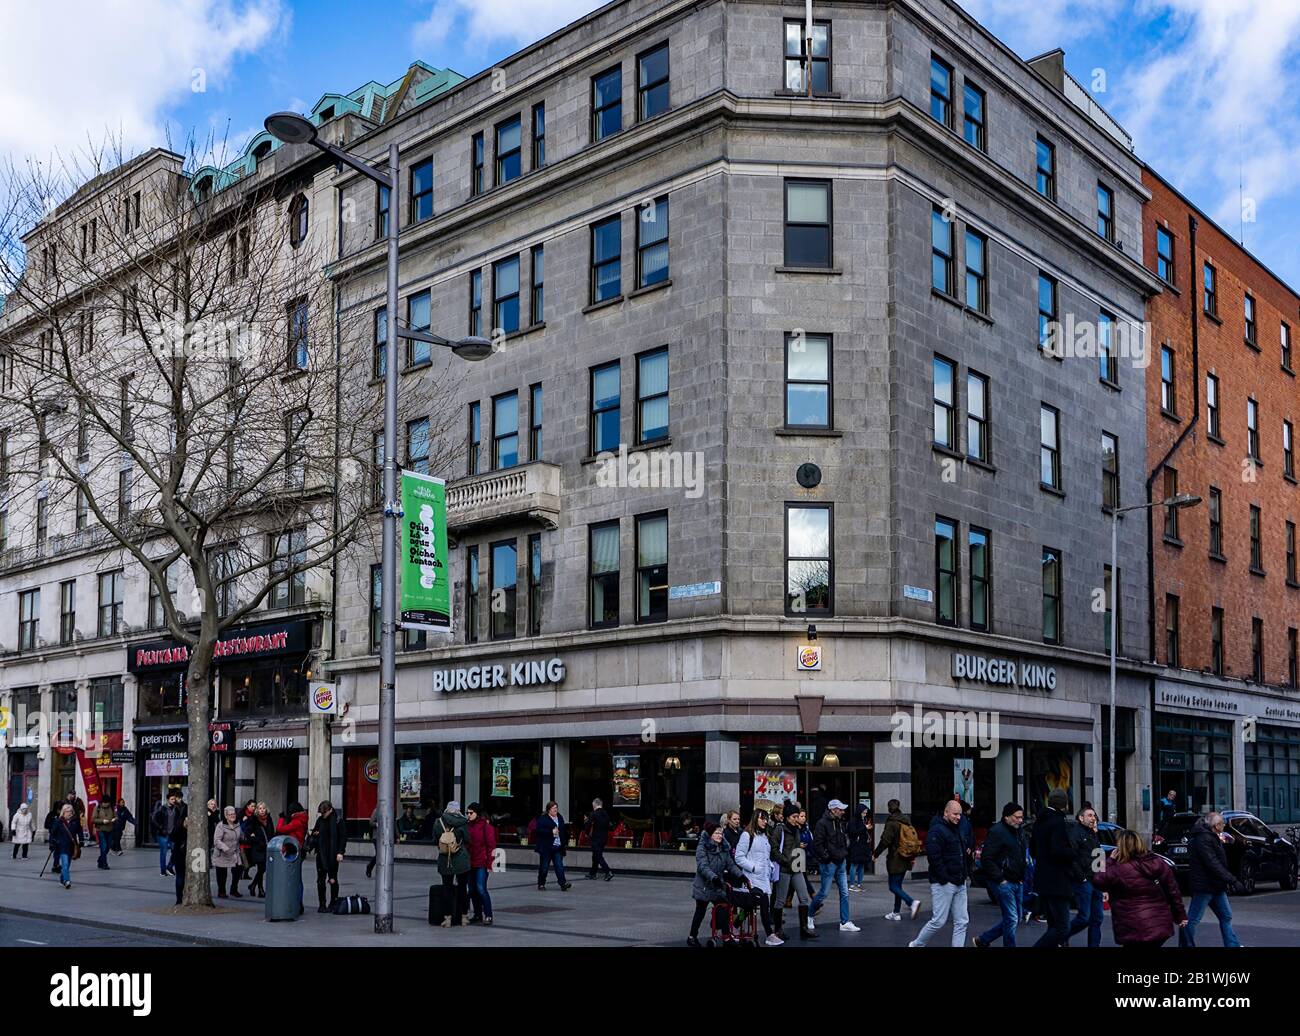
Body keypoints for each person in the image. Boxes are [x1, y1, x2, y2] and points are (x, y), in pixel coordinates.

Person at [1092, 830, 1187, 948]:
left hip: (1132, 926)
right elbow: (1173, 891)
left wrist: (1110, 860)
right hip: (1158, 923)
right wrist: (1180, 915)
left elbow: (1098, 880)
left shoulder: (1118, 869)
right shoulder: (1157, 862)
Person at [909, 798, 969, 947]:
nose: (958, 817)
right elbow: (934, 857)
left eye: (960, 814)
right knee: (938, 921)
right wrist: (945, 879)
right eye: (955, 814)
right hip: (945, 883)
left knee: (962, 921)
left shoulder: (956, 828)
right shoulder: (937, 830)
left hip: (959, 881)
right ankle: (916, 944)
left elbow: (959, 853)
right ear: (946, 812)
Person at [1184, 811, 1243, 948]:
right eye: (1222, 823)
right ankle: (1186, 945)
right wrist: (1232, 880)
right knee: (1193, 919)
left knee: (1226, 916)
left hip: (1216, 885)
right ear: (1216, 825)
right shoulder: (1203, 839)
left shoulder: (1211, 837)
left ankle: (1232, 944)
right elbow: (1213, 863)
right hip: (1204, 886)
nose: (1224, 826)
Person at [973, 802, 1027, 947]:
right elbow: (987, 858)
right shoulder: (997, 831)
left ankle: (983, 940)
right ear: (1007, 817)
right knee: (1012, 918)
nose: (1020, 820)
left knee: (1015, 917)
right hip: (1004, 881)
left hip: (1017, 880)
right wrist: (1000, 879)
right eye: (1017, 817)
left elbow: (1021, 854)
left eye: (1022, 817)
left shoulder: (1019, 831)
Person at [687, 821, 749, 946]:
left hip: (717, 886)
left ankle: (725, 935)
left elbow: (730, 865)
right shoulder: (702, 847)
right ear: (710, 835)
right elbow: (703, 866)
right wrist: (713, 877)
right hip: (704, 886)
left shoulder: (723, 848)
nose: (720, 835)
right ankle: (692, 936)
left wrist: (741, 876)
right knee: (700, 911)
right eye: (716, 833)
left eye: (721, 833)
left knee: (725, 906)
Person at [1030, 788, 1076, 947]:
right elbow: (1058, 850)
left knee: (1053, 924)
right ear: (1064, 803)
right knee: (1062, 927)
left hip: (1043, 879)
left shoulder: (1040, 821)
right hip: (1058, 881)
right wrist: (1073, 851)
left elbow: (1034, 850)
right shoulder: (1058, 822)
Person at [734, 809, 782, 945]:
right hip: (752, 879)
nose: (765, 821)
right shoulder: (747, 835)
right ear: (755, 819)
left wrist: (770, 867)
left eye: (766, 819)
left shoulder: (765, 836)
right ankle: (769, 934)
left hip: (764, 878)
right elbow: (738, 857)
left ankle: (735, 926)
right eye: (762, 818)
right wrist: (753, 867)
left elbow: (765, 856)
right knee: (764, 904)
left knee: (748, 907)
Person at [810, 799, 858, 932]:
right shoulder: (822, 823)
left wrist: (843, 853)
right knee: (823, 893)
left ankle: (845, 921)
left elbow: (842, 839)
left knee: (844, 892)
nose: (843, 811)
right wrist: (826, 857)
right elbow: (817, 844)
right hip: (830, 862)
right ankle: (809, 916)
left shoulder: (839, 822)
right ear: (833, 810)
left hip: (840, 861)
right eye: (840, 809)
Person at [769, 803, 815, 940]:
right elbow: (774, 849)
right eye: (794, 816)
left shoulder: (796, 829)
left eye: (797, 816)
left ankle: (804, 928)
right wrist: (785, 860)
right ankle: (778, 930)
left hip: (796, 867)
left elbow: (795, 847)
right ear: (787, 817)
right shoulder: (780, 830)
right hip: (784, 869)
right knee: (780, 900)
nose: (796, 819)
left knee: (804, 898)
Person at [874, 800, 922, 920]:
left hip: (895, 858)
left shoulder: (892, 823)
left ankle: (912, 903)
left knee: (893, 886)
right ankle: (896, 912)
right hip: (906, 856)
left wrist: (875, 854)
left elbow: (885, 840)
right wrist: (912, 857)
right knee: (898, 886)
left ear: (889, 808)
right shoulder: (905, 820)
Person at [1065, 805, 1105, 947]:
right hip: (1084, 880)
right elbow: (1072, 858)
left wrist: (1103, 882)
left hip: (1096, 881)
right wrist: (1081, 877)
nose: (1093, 818)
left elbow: (1099, 856)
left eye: (1094, 816)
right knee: (1084, 917)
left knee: (1098, 918)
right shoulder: (1075, 833)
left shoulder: (1093, 834)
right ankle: (1062, 936)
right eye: (1089, 815)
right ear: (1080, 818)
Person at [432, 801, 471, 926]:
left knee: (447, 889)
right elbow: (467, 839)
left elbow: (434, 840)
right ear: (458, 810)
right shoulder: (463, 822)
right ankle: (464, 917)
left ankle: (447, 919)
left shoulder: (439, 822)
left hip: (445, 860)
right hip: (461, 860)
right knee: (462, 888)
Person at [308, 800, 347, 912]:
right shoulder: (320, 820)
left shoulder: (338, 821)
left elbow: (343, 837)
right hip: (321, 853)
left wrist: (340, 852)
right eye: (321, 813)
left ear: (330, 810)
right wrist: (314, 834)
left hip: (333, 854)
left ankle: (333, 902)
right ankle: (322, 904)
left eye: (324, 813)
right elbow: (315, 833)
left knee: (333, 879)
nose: (322, 815)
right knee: (320, 880)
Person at [465, 802, 497, 925]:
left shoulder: (486, 827)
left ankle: (488, 914)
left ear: (477, 813)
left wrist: (490, 863)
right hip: (469, 862)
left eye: (471, 813)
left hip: (481, 862)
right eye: (467, 813)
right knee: (472, 890)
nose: (468, 815)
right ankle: (477, 914)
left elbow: (491, 846)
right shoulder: (467, 825)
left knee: (481, 888)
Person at [534, 801, 572, 890]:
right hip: (546, 847)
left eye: (556, 808)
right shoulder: (543, 819)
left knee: (559, 865)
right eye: (554, 808)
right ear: (549, 810)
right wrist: (551, 832)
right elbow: (538, 831)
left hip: (557, 846)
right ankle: (541, 883)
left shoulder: (560, 817)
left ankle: (563, 883)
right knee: (544, 867)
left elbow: (563, 831)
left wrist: (564, 842)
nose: (556, 810)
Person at [212, 805, 244, 899]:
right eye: (230, 814)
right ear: (226, 816)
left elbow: (241, 835)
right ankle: (221, 891)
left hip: (235, 852)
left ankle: (234, 889)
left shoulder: (237, 825)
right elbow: (217, 840)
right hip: (222, 853)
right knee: (222, 873)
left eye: (233, 814)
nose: (232, 816)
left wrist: (246, 838)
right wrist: (225, 848)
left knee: (238, 870)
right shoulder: (221, 826)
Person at [242, 802, 272, 897]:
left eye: (263, 808)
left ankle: (253, 885)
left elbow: (271, 831)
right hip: (257, 847)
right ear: (257, 810)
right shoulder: (253, 820)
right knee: (261, 868)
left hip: (267, 847)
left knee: (262, 869)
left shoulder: (268, 819)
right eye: (260, 808)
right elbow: (247, 833)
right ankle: (260, 889)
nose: (262, 810)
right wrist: (255, 839)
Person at [152, 792, 185, 876]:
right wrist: (160, 827)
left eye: (174, 799)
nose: (174, 801)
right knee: (163, 852)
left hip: (173, 834)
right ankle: (163, 870)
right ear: (168, 800)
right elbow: (154, 818)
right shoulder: (162, 808)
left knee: (176, 852)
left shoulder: (177, 808)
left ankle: (170, 867)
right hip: (163, 834)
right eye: (172, 799)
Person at [49, 804, 80, 889]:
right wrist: (51, 843)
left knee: (68, 865)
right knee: (65, 864)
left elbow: (79, 831)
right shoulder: (59, 821)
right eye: (67, 811)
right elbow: (53, 833)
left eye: (71, 811)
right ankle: (67, 880)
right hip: (62, 846)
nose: (69, 813)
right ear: (64, 812)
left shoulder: (75, 821)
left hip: (71, 846)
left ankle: (62, 879)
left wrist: (81, 840)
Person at [584, 798, 613, 880]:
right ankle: (593, 873)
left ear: (595, 805)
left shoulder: (594, 814)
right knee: (595, 855)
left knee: (598, 856)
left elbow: (588, 825)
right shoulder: (606, 814)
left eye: (593, 805)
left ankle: (608, 872)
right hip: (604, 838)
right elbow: (610, 825)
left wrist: (587, 833)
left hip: (596, 838)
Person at [846, 804, 873, 890]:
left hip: (863, 845)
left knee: (861, 865)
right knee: (854, 864)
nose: (865, 814)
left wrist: (867, 828)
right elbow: (853, 832)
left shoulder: (863, 820)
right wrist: (865, 827)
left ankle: (859, 884)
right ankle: (852, 885)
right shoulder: (853, 821)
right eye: (863, 813)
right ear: (859, 812)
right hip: (856, 845)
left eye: (866, 813)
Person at [91, 799, 116, 870]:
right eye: (104, 803)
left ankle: (100, 859)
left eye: (107, 803)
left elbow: (116, 816)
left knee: (108, 846)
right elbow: (93, 819)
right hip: (100, 830)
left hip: (110, 829)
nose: (106, 804)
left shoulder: (112, 808)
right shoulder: (97, 808)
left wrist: (114, 819)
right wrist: (102, 821)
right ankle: (104, 863)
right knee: (103, 846)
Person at [170, 815, 189, 905]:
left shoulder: (178, 829)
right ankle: (179, 898)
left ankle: (180, 898)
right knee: (180, 877)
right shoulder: (180, 830)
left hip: (183, 856)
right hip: (181, 856)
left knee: (181, 877)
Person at [365, 805, 380, 878]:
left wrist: (398, 836)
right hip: (376, 837)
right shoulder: (377, 810)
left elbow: (394, 823)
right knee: (379, 854)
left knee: (381, 855)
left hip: (385, 837)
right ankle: (370, 867)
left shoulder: (390, 810)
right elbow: (371, 822)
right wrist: (378, 824)